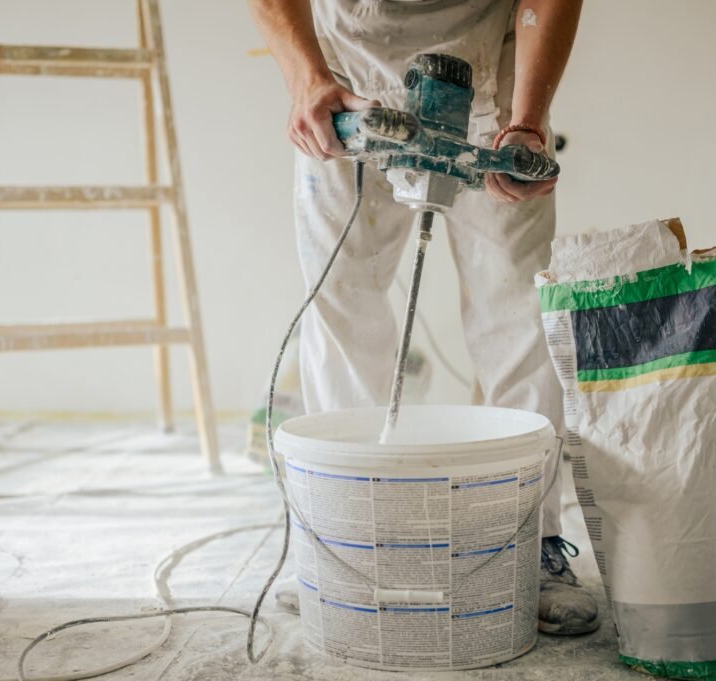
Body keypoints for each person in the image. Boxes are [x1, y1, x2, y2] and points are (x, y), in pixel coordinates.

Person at [248, 0, 597, 635]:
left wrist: (528, 121)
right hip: (345, 77)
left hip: (492, 82)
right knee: (341, 305)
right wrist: (305, 77)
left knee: (519, 310)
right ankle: (344, 540)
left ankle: (531, 544)